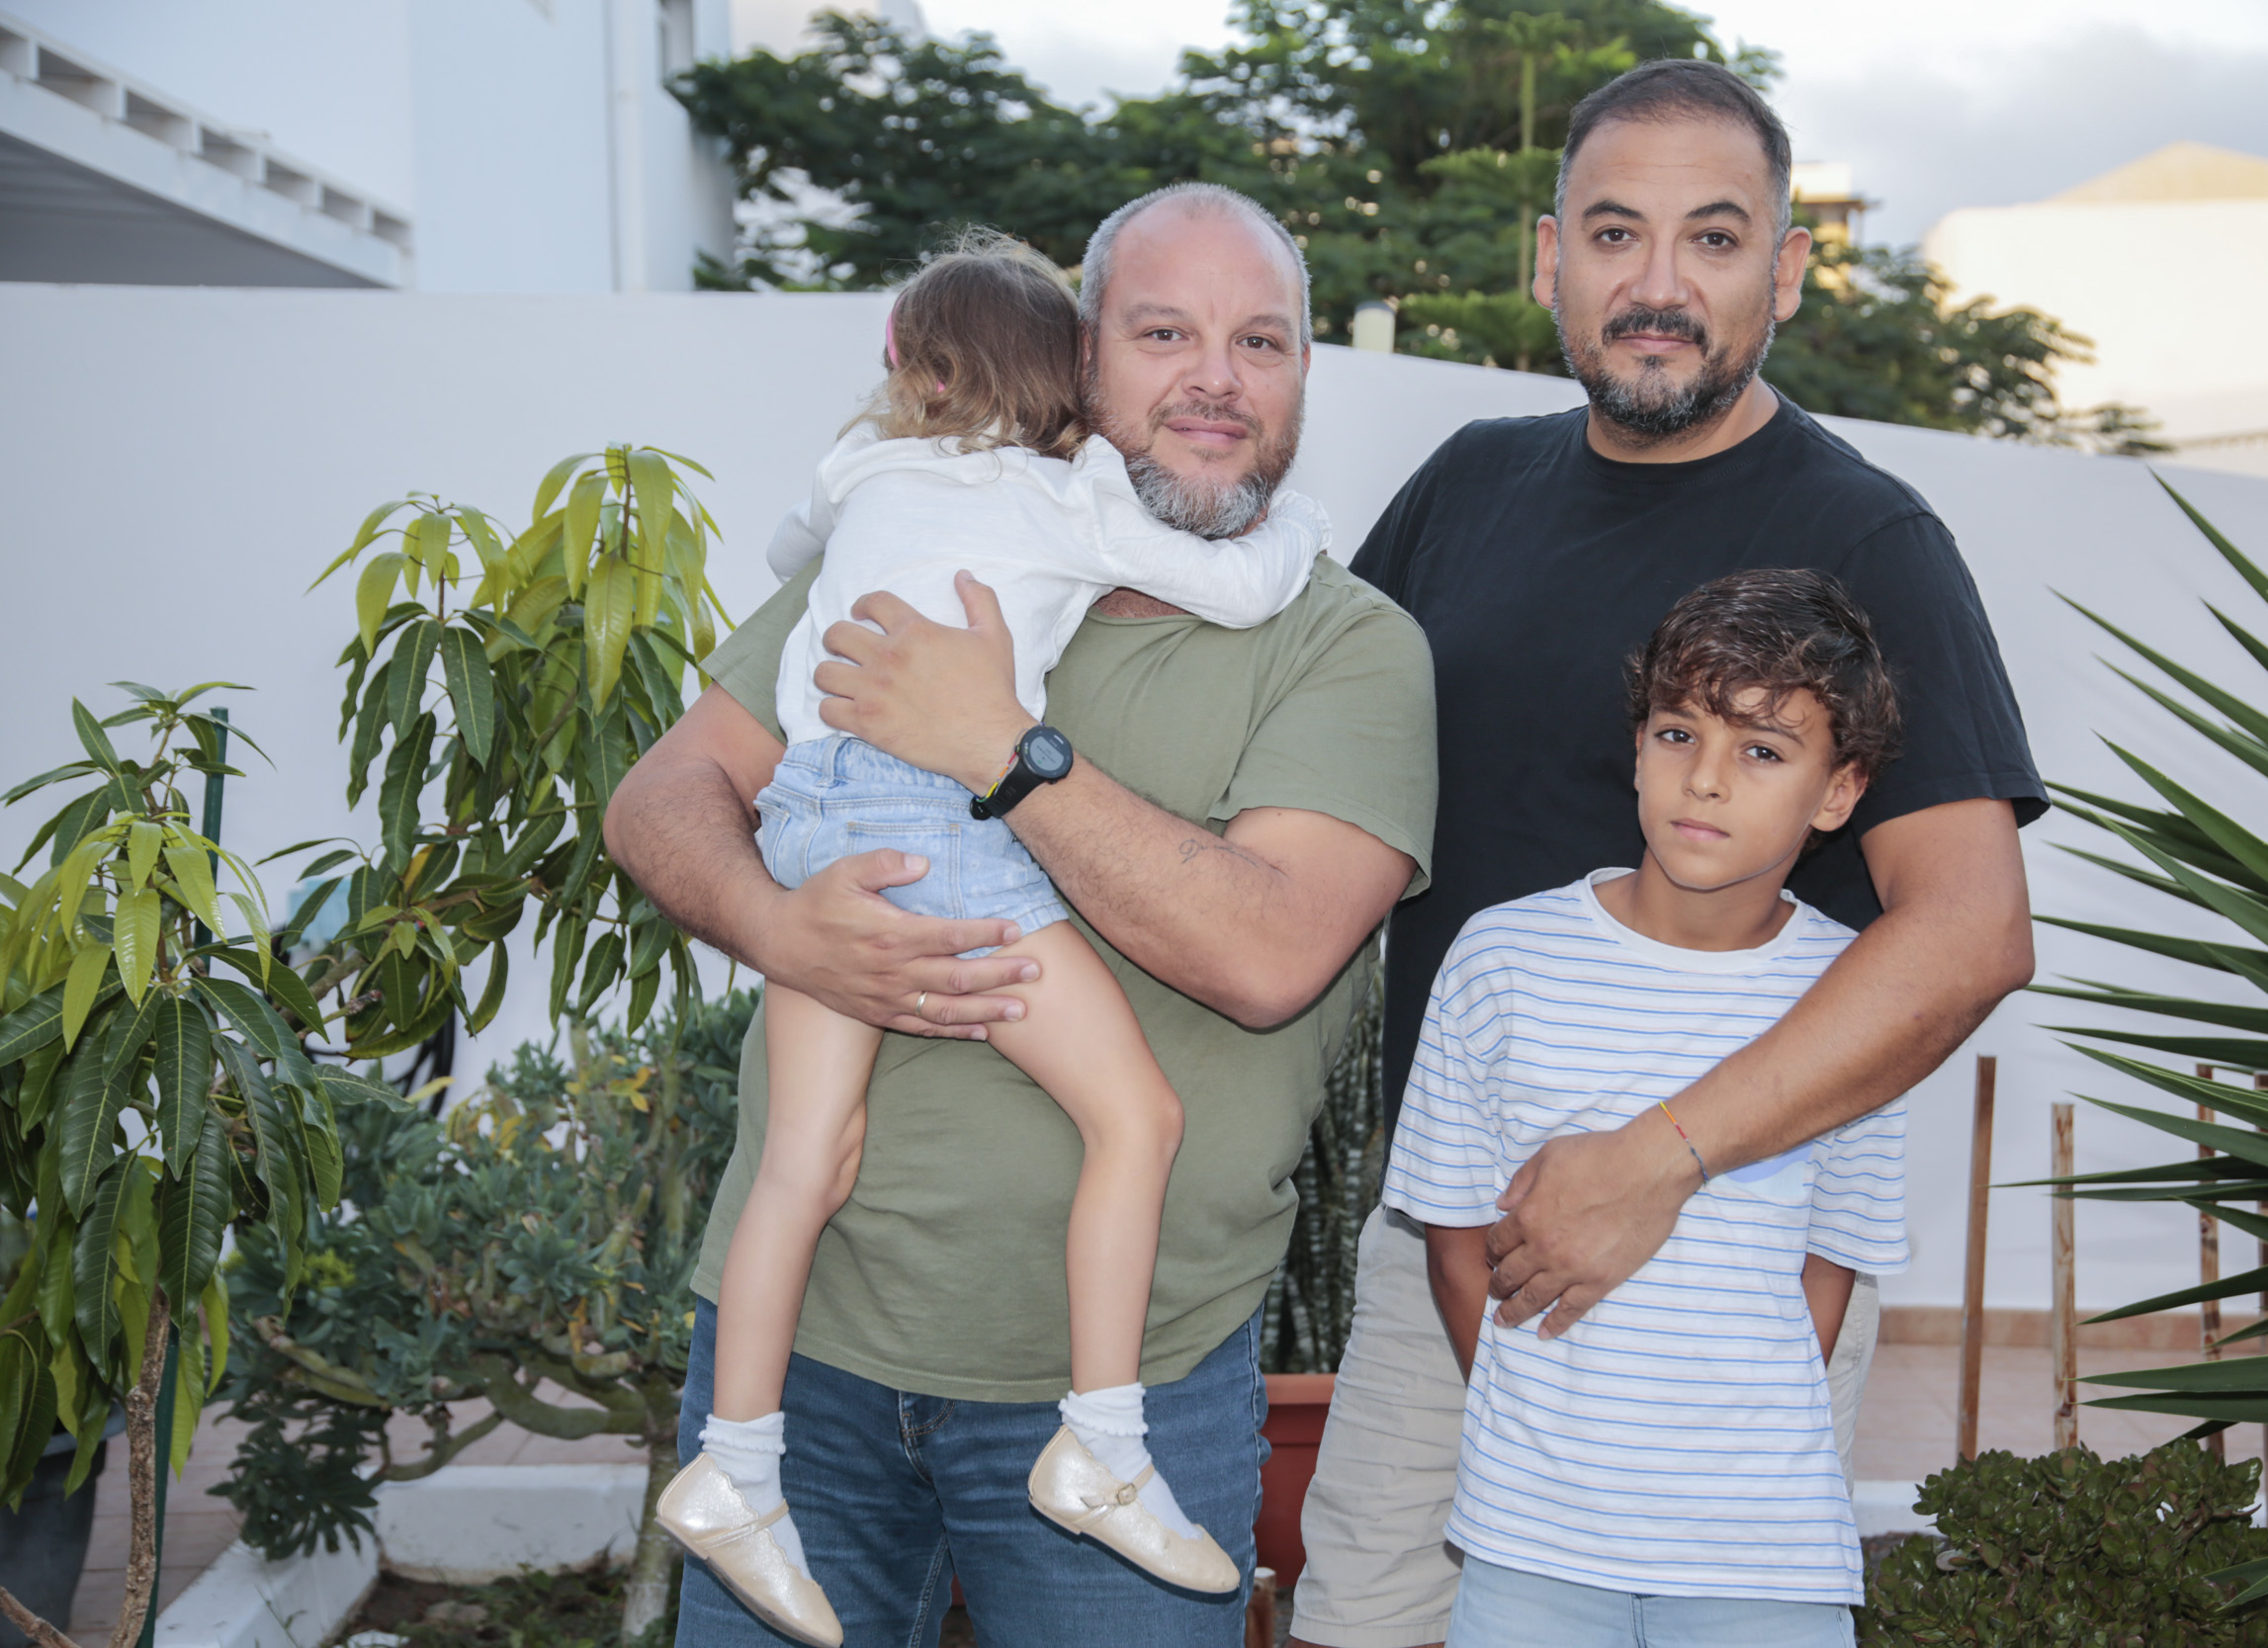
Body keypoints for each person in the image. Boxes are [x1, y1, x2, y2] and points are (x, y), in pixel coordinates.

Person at [602, 181, 1438, 1647]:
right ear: (1080, 356)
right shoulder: (925, 535)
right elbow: (661, 799)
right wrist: (780, 926)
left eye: (1264, 341)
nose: (1217, 378)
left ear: (1307, 371)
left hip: (1129, 1380)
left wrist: (1000, 744)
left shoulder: (1347, 643)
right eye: (1166, 331)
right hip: (805, 1367)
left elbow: (1266, 951)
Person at [1291, 58, 2044, 1648]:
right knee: (1369, 1623)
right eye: (1616, 234)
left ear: (1783, 270)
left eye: (1713, 239)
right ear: (1549, 259)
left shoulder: (1869, 536)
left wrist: (1657, 1163)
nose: (1657, 285)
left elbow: (1968, 930)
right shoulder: (1462, 490)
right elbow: (1300, 784)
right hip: (1457, 1251)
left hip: (1723, 1275)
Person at [1392, 569, 1909, 1648]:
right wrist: (1547, 1450)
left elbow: (1827, 1275)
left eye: (1762, 750)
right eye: (1678, 734)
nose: (1706, 781)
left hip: (1761, 1556)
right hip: (1531, 1546)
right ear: (1636, 746)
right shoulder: (1502, 956)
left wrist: (1712, 1465)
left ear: (1837, 792)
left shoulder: (1859, 998)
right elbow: (1453, 1245)